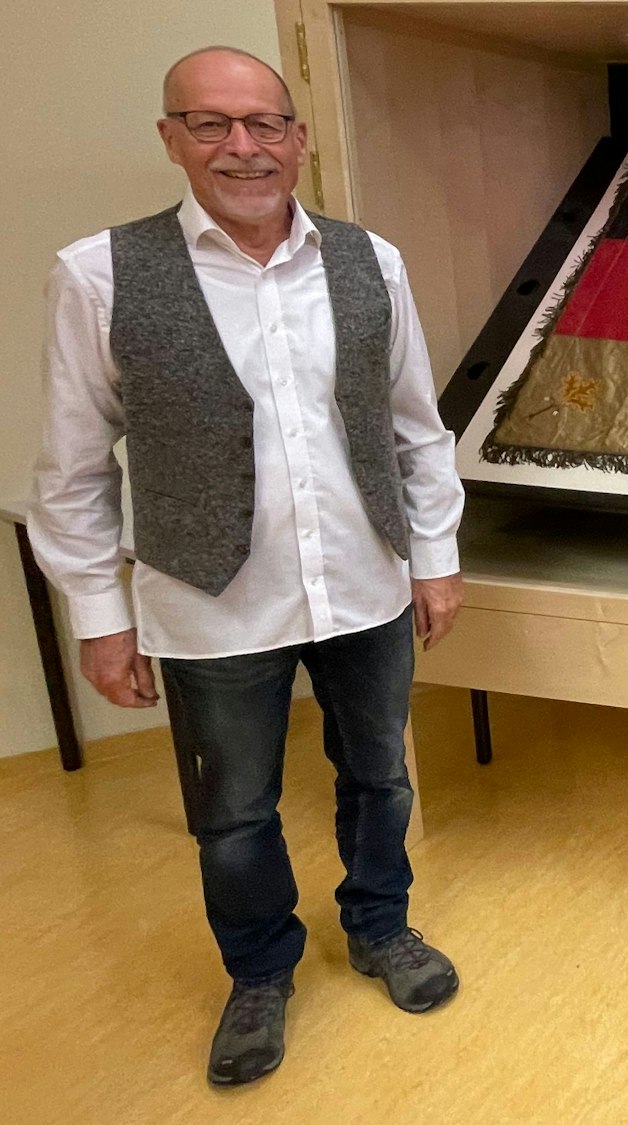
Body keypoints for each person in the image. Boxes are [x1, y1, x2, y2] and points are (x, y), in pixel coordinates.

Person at [27, 46, 468, 1086]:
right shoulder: (98, 273)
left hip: (363, 584)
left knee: (379, 777)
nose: (243, 146)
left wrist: (436, 559)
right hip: (208, 603)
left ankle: (379, 924)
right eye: (212, 123)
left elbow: (415, 428)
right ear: (171, 138)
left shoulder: (373, 261)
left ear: (298, 139)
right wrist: (100, 613)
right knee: (231, 814)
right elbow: (73, 464)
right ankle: (260, 973)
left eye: (265, 124)